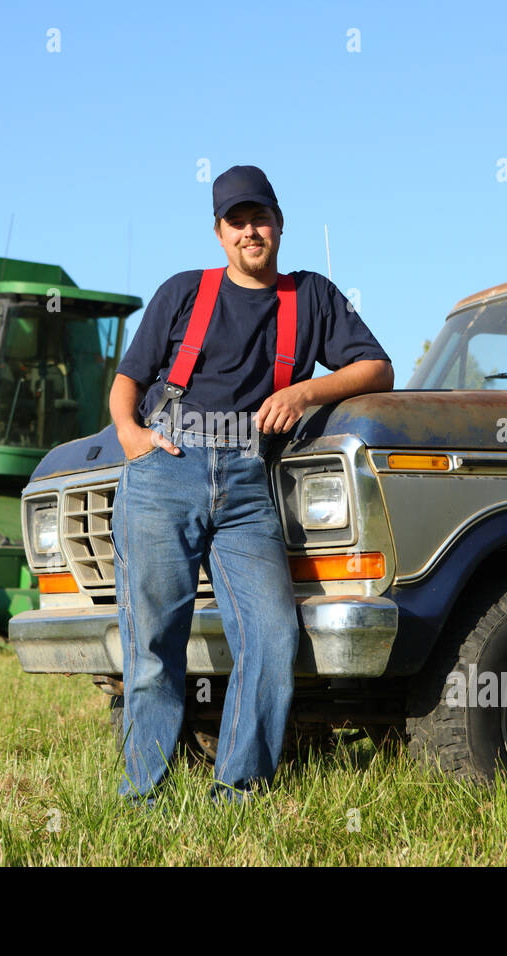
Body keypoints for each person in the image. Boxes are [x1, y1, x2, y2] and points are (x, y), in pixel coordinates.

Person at [109, 164, 393, 804]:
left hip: (246, 480)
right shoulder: (183, 292)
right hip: (166, 465)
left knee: (272, 635)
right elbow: (128, 378)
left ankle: (238, 788)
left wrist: (305, 390)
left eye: (259, 218)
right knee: (154, 642)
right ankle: (141, 792)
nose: (250, 231)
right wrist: (130, 433)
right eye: (236, 222)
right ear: (219, 233)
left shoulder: (313, 296)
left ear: (279, 224)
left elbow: (379, 367)